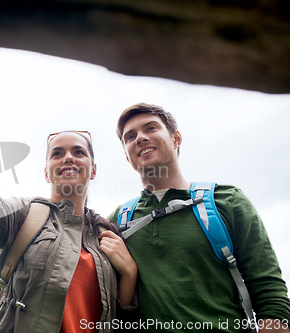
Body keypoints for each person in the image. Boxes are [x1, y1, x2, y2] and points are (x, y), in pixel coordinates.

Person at [0, 51, 138, 333]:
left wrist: (130, 275)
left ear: (94, 169)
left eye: (79, 152)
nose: (68, 158)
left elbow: (123, 321)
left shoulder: (109, 235)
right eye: (57, 154)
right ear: (46, 170)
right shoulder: (24, 215)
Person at [107, 103, 290, 332]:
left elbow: (270, 295)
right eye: (130, 136)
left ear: (176, 139)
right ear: (127, 155)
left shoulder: (227, 200)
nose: (140, 138)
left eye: (151, 128)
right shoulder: (116, 222)